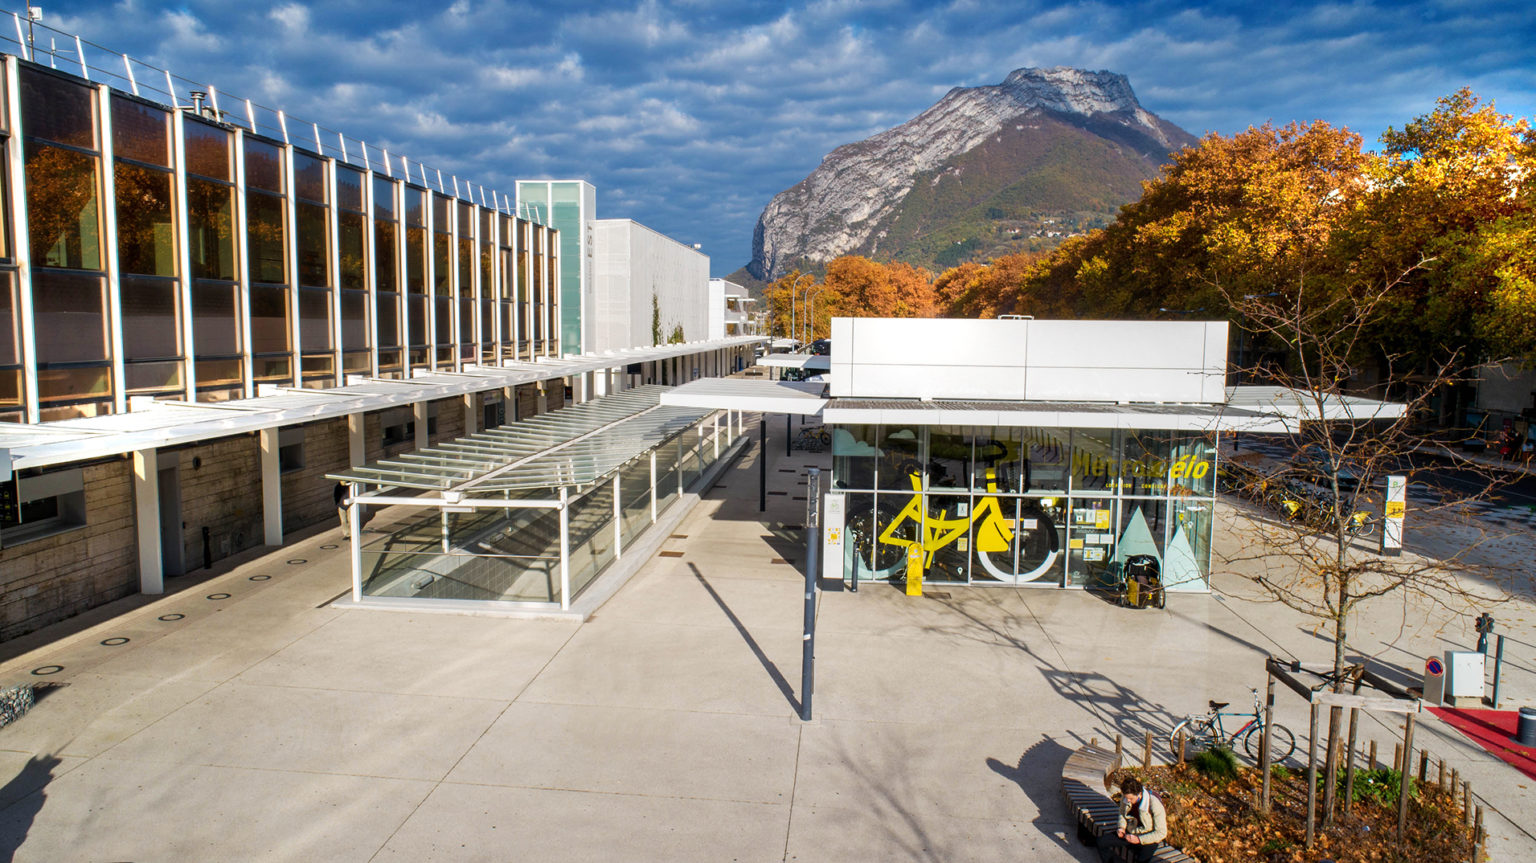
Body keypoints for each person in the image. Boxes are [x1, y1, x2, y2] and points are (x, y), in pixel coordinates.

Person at [1097, 776, 1166, 862]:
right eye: (1126, 798)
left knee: (1141, 860)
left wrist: (1139, 840)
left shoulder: (1155, 804)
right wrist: (1121, 827)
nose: (1128, 800)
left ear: (1139, 794)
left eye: (1131, 798)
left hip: (1148, 838)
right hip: (1130, 831)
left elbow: (1161, 833)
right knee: (1101, 842)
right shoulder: (1125, 797)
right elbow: (1122, 814)